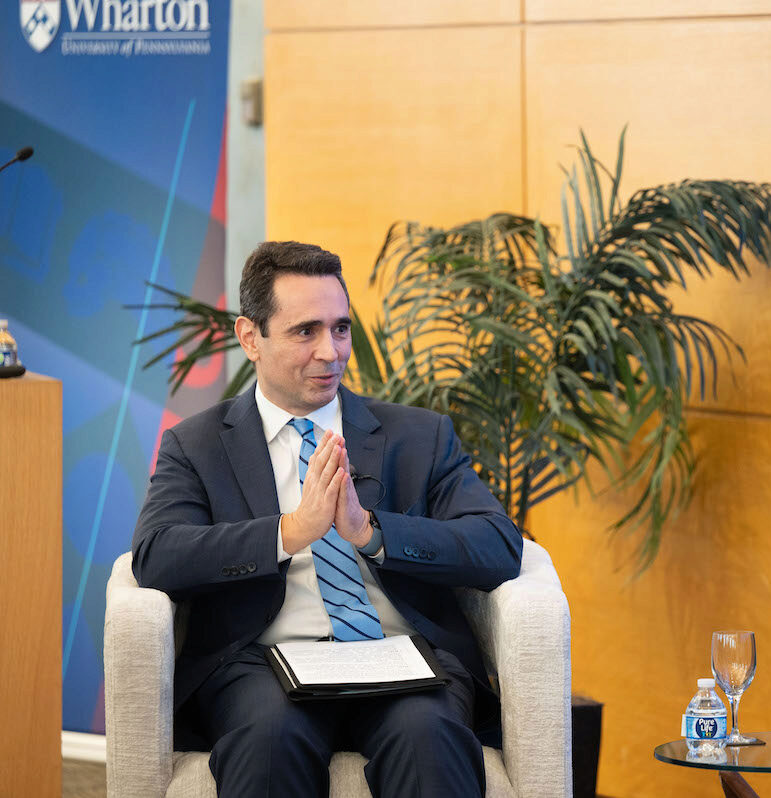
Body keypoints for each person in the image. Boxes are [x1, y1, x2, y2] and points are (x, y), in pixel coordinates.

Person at [131, 241, 523, 797]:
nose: (331, 351)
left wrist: (372, 534)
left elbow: (498, 545)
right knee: (268, 743)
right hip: (262, 663)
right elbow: (157, 556)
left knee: (427, 738)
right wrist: (289, 533)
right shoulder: (195, 446)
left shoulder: (420, 436)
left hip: (401, 658)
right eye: (305, 331)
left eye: (340, 328)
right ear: (250, 338)